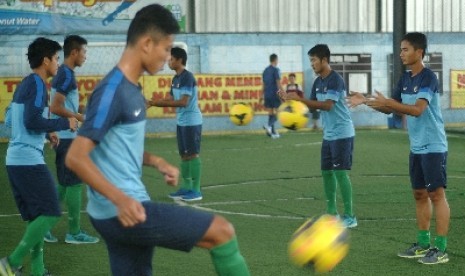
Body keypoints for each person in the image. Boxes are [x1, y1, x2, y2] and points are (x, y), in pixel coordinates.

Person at [64, 4, 250, 276]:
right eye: (166, 49)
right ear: (147, 43)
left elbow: (115, 147)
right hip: (123, 209)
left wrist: (157, 161)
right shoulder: (112, 91)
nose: (166, 58)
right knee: (222, 232)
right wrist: (121, 200)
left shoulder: (131, 89)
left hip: (118, 210)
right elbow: (76, 157)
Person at [347, 32, 449, 265]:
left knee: (437, 195)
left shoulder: (428, 78)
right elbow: (389, 108)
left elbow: (417, 110)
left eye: (405, 49)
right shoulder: (404, 79)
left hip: (434, 146)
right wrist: (366, 101)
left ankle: (440, 248)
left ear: (419, 52)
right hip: (417, 147)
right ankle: (423, 245)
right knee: (420, 194)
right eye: (401, 49)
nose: (401, 53)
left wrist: (390, 103)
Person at [0, 37, 77, 276]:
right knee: (51, 211)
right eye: (56, 58)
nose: (58, 63)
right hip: (27, 161)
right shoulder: (36, 83)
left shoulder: (27, 83)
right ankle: (10, 263)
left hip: (17, 159)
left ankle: (38, 269)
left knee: (36, 216)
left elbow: (12, 119)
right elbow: (31, 120)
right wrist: (64, 122)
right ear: (46, 60)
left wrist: (49, 130)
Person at [279, 44, 357, 228]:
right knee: (326, 172)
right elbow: (313, 106)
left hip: (342, 133)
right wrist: (292, 104)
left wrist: (300, 99)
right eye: (310, 60)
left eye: (314, 60)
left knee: (340, 173)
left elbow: (328, 105)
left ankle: (350, 216)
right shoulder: (318, 82)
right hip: (329, 134)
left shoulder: (335, 80)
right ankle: (331, 213)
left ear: (324, 60)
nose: (312, 64)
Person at [46, 35, 100, 244]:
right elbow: (56, 107)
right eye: (84, 52)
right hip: (68, 137)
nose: (85, 56)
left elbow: (64, 105)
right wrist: (79, 117)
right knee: (75, 183)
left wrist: (84, 110)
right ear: (74, 52)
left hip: (65, 136)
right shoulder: (66, 74)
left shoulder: (64, 74)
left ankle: (44, 226)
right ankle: (74, 232)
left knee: (64, 184)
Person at [148, 47, 203, 202]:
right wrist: (151, 102)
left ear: (179, 60)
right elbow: (169, 98)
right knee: (184, 155)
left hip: (192, 122)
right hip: (181, 122)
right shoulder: (175, 79)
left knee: (193, 154)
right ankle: (186, 187)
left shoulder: (187, 77)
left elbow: (183, 102)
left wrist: (156, 104)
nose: (169, 61)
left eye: (171, 59)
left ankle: (196, 190)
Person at [262, 53, 283, 139]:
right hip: (274, 94)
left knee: (271, 113)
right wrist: (282, 94)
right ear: (275, 60)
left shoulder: (265, 70)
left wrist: (261, 95)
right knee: (279, 112)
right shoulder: (276, 70)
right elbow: (278, 83)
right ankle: (268, 125)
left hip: (267, 94)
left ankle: (272, 132)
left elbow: (263, 84)